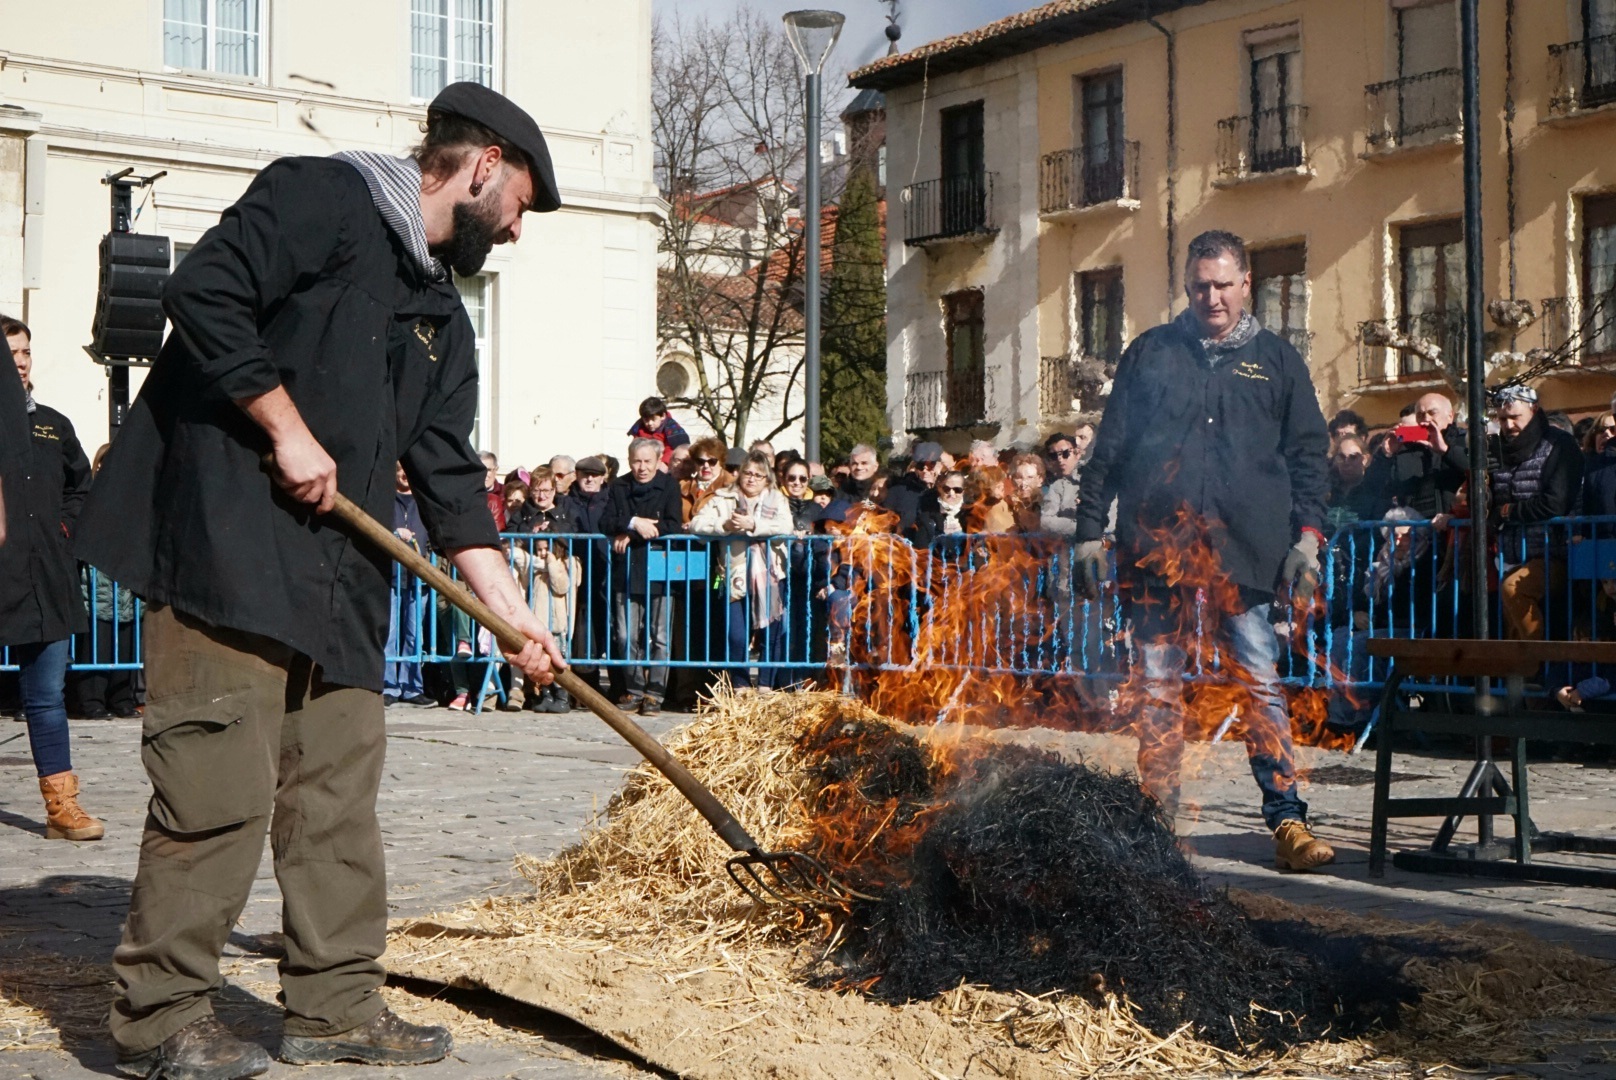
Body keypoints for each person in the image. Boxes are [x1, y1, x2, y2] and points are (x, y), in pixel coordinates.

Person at [73, 82, 567, 1077]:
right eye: (519, 201)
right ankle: (160, 1016)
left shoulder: (440, 314)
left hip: (341, 585)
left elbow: (450, 476)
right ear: (479, 167)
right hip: (226, 552)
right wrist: (287, 432)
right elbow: (201, 291)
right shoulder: (317, 197)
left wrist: (511, 616)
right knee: (216, 793)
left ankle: (334, 1008)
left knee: (337, 799)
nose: (515, 230)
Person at [1073, 229, 1334, 871]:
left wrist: (1307, 537)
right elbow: (1109, 448)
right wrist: (1086, 531)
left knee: (1260, 682)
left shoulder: (1277, 360)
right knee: (1157, 685)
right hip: (1156, 545)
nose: (1210, 297)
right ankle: (1157, 817)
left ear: (1247, 283)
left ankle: (1288, 820)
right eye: (1199, 286)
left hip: (1245, 548)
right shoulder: (1151, 353)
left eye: (1222, 284)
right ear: (1186, 286)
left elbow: (1308, 455)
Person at [0, 315, 102, 842]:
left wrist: (64, 530)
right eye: (8, 351)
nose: (18, 361)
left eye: (25, 352)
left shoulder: (53, 424)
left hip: (48, 579)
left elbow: (81, 488)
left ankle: (63, 808)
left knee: (46, 696)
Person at [690, 450, 793, 687]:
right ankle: (741, 686)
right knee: (736, 635)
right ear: (740, 475)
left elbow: (785, 526)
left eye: (758, 475)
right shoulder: (723, 498)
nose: (752, 479)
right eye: (747, 473)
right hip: (734, 573)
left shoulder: (777, 499)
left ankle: (766, 684)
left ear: (767, 479)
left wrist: (754, 524)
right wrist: (724, 525)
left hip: (770, 575)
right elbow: (697, 524)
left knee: (772, 633)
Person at [1490, 385, 1583, 640]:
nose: (1508, 425)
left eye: (1515, 417)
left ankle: (1536, 662)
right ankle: (1518, 675)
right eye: (1502, 419)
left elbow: (1555, 503)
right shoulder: (1497, 448)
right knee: (1510, 620)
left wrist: (1508, 512)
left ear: (1534, 411)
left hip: (1554, 551)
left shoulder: (1559, 443)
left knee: (1513, 590)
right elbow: (1490, 497)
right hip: (1512, 551)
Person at [602, 438, 683, 713]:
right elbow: (606, 520)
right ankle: (634, 688)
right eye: (637, 461)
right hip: (626, 569)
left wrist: (633, 533)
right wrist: (633, 522)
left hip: (659, 568)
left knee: (659, 636)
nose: (642, 467)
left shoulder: (669, 485)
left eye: (647, 461)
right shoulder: (619, 485)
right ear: (629, 460)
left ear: (658, 460)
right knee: (626, 635)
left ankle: (655, 693)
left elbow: (673, 524)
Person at [560, 456, 613, 695]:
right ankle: (585, 689)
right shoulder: (566, 502)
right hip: (577, 572)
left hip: (607, 570)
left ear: (603, 477)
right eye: (584, 474)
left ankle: (618, 685)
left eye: (594, 475)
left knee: (613, 628)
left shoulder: (612, 500)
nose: (589, 479)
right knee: (582, 630)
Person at [384, 462, 432, 708]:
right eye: (400, 469)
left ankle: (413, 686)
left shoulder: (423, 501)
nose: (404, 474)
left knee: (416, 635)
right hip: (390, 575)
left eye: (407, 469)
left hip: (417, 578)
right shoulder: (386, 499)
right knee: (390, 633)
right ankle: (389, 685)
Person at [1378, 392, 1469, 518]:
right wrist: (1385, 456)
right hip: (1416, 533)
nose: (1426, 419)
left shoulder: (1464, 442)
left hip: (1454, 531)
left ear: (1450, 416)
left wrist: (1445, 450)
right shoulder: (1405, 450)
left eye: (1432, 413)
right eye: (1420, 415)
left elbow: (1479, 472)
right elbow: (1375, 490)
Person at [884, 441, 944, 535]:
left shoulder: (951, 491)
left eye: (931, 464)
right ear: (915, 466)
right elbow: (884, 524)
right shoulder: (898, 491)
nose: (925, 469)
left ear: (940, 466)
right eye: (920, 465)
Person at [626, 396, 690, 466]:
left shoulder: (671, 430)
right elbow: (635, 448)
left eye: (653, 419)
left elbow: (672, 449)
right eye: (646, 420)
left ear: (663, 416)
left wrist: (663, 464)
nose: (650, 423)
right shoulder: (640, 429)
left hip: (665, 466)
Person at [1041, 431, 1082, 537]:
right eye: (1054, 456)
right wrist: (1081, 527)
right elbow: (1045, 521)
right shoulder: (1056, 487)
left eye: (1065, 453)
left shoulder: (1095, 477)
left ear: (1077, 454)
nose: (1059, 459)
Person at [680, 435, 727, 522]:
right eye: (700, 462)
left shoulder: (731, 487)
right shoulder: (681, 486)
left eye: (712, 462)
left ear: (721, 463)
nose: (706, 466)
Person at [1008, 452, 1046, 533]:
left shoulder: (1047, 505)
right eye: (1019, 478)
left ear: (1040, 479)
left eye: (1030, 477)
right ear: (1011, 479)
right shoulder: (1006, 506)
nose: (1023, 484)